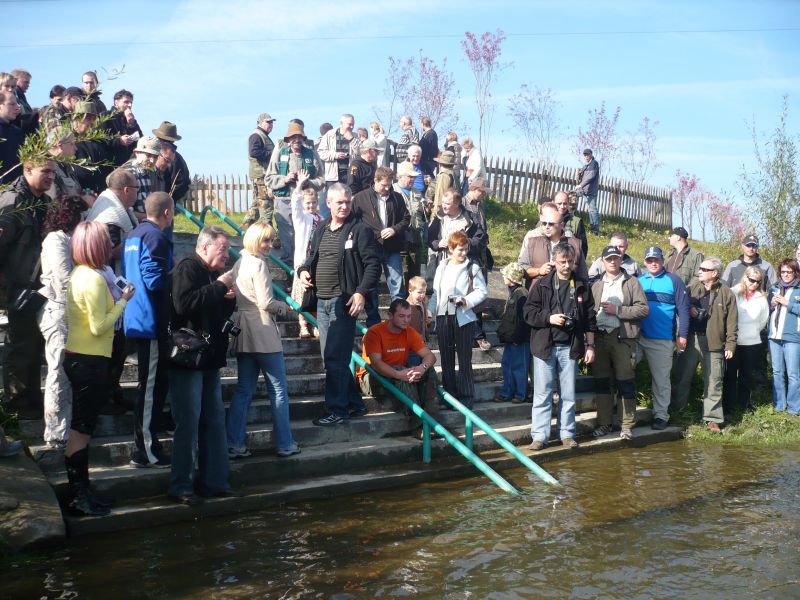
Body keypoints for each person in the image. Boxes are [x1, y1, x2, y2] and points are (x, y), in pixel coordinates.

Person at [64, 220, 135, 516]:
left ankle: (83, 492)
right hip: (88, 360)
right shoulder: (92, 279)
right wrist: (123, 302)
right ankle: (78, 495)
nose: (110, 246)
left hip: (85, 357)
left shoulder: (81, 273)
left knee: (84, 427)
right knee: (81, 428)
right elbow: (98, 326)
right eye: (106, 242)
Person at [298, 183, 381, 426]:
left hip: (343, 303)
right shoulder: (321, 228)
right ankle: (354, 404)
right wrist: (303, 270)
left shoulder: (360, 230)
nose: (344, 206)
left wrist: (361, 292)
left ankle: (337, 410)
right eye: (339, 202)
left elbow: (373, 265)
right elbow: (311, 257)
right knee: (333, 357)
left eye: (347, 202)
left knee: (335, 357)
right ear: (329, 203)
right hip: (321, 301)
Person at [169, 226, 241, 505]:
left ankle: (215, 481)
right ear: (205, 247)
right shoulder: (188, 268)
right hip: (188, 360)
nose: (227, 255)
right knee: (188, 422)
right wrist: (220, 287)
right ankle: (182, 486)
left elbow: (212, 310)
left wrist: (228, 300)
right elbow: (183, 304)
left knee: (214, 421)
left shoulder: (212, 274)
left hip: (209, 358)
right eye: (223, 249)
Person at [227, 222, 300, 459]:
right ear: (255, 240)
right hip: (263, 331)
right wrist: (285, 307)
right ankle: (285, 443)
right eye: (265, 240)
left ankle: (234, 443)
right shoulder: (258, 264)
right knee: (278, 390)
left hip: (244, 330)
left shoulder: (239, 261)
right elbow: (266, 302)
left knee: (244, 390)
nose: (270, 245)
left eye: (271, 240)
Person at [524, 242, 596, 450]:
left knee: (568, 394)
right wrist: (549, 318)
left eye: (570, 262)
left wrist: (590, 346)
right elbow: (528, 312)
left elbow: (590, 319)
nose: (566, 265)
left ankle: (567, 434)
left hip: (570, 347)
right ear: (554, 261)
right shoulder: (542, 284)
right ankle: (540, 436)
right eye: (562, 261)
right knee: (542, 394)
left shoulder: (582, 285)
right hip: (545, 346)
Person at [123, 192, 174, 468]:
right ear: (167, 212)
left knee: (151, 384)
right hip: (150, 320)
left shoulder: (134, 234)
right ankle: (145, 450)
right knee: (150, 386)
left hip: (136, 316)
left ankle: (148, 441)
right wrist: (176, 280)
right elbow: (154, 279)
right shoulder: (155, 237)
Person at [0, 159, 54, 420]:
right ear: (28, 170)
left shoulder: (44, 202)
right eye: (46, 171)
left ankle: (30, 399)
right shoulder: (12, 202)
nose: (51, 177)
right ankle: (17, 404)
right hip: (16, 286)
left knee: (33, 344)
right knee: (20, 345)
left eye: (53, 172)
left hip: (38, 286)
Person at [37, 195, 87, 448]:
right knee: (58, 371)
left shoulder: (70, 239)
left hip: (73, 313)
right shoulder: (55, 240)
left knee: (68, 372)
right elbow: (64, 280)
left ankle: (67, 428)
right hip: (58, 311)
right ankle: (56, 432)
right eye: (81, 215)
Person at [357, 299, 439, 439]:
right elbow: (376, 363)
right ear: (390, 315)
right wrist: (399, 374)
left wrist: (422, 368)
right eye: (401, 316)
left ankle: (432, 423)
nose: (406, 320)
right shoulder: (374, 332)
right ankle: (417, 426)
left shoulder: (410, 332)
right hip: (371, 376)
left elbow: (430, 356)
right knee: (403, 373)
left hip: (396, 374)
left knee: (429, 371)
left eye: (409, 316)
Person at [590, 246, 649, 440]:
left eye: (616, 258)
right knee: (602, 382)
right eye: (609, 259)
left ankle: (626, 426)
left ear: (621, 260)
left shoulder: (632, 282)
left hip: (622, 338)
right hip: (599, 337)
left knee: (625, 382)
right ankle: (604, 423)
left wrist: (618, 310)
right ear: (603, 261)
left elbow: (643, 309)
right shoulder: (596, 284)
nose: (613, 262)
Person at [672, 257, 737, 432]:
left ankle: (713, 419)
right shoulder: (691, 288)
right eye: (700, 268)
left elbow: (732, 322)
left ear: (715, 273)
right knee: (683, 377)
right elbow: (679, 306)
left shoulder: (727, 293)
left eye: (704, 269)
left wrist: (730, 345)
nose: (699, 271)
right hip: (691, 339)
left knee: (714, 381)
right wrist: (690, 309)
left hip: (715, 342)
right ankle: (678, 411)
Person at [428, 230, 488, 408]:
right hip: (443, 317)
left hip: (464, 318)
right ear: (451, 249)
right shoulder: (442, 266)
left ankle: (466, 396)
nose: (463, 253)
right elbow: (436, 293)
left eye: (466, 249)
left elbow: (482, 292)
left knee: (464, 359)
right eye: (460, 249)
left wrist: (466, 300)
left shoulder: (472, 267)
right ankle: (449, 397)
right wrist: (430, 311)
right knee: (446, 360)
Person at [638, 246, 690, 430]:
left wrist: (682, 335)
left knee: (661, 380)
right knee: (623, 370)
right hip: (638, 337)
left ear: (663, 261)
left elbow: (683, 309)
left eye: (657, 260)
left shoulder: (674, 280)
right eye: (650, 260)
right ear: (645, 262)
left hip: (663, 338)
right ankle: (621, 410)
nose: (653, 263)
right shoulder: (638, 281)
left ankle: (661, 415)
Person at [352, 166, 411, 327]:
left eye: (389, 185)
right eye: (384, 185)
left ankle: (398, 321)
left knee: (397, 287)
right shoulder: (361, 197)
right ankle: (373, 323)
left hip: (392, 248)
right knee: (371, 286)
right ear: (375, 181)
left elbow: (406, 218)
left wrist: (394, 229)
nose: (387, 188)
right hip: (371, 248)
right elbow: (353, 221)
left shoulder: (397, 197)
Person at [264, 122, 324, 267]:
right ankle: (289, 274)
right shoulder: (280, 153)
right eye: (293, 137)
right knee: (288, 239)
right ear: (288, 139)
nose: (296, 140)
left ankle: (307, 269)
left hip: (306, 203)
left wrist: (307, 182)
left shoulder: (311, 154)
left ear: (303, 138)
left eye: (299, 137)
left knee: (305, 238)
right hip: (284, 201)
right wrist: (285, 179)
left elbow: (322, 179)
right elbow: (269, 179)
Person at [723, 267, 769, 415]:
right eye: (752, 280)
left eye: (758, 281)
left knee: (747, 375)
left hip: (752, 342)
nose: (754, 284)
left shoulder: (761, 298)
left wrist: (753, 330)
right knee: (730, 375)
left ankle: (744, 405)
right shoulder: (733, 292)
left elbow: (763, 320)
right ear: (745, 277)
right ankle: (728, 407)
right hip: (733, 341)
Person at [517, 202, 587, 287]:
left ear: (561, 225)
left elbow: (583, 275)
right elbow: (520, 269)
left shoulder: (575, 244)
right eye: (544, 223)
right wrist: (539, 271)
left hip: (566, 291)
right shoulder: (533, 243)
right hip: (538, 291)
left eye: (551, 224)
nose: (547, 227)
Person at [767, 258, 800, 416]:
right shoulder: (774, 287)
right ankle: (780, 405)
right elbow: (765, 311)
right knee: (777, 372)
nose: (785, 274)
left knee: (793, 374)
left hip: (793, 337)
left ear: (795, 272)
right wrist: (772, 304)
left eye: (789, 272)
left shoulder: (799, 288)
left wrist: (788, 303)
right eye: (783, 272)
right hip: (774, 336)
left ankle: (794, 408)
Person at [494, 262, 531, 404]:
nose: (503, 277)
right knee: (507, 366)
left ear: (512, 277)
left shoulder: (522, 294)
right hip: (510, 339)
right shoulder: (513, 293)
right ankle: (506, 393)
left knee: (519, 368)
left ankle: (521, 394)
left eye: (505, 275)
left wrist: (519, 338)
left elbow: (524, 319)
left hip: (519, 340)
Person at [290, 181, 322, 339]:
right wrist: (299, 187)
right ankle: (303, 325)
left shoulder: (321, 218)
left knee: (315, 295)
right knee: (302, 295)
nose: (311, 205)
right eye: (308, 203)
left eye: (314, 202)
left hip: (317, 262)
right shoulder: (301, 218)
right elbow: (295, 205)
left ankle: (315, 324)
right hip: (303, 262)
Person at [394, 161, 428, 284]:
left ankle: (414, 295)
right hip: (400, 238)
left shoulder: (417, 193)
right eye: (410, 176)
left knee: (415, 273)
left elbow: (422, 215)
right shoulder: (393, 191)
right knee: (403, 273)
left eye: (414, 177)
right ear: (400, 176)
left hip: (415, 237)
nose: (413, 179)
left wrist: (427, 209)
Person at [244, 112, 277, 229]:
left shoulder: (263, 136)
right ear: (260, 123)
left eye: (272, 122)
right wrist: (272, 154)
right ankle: (266, 231)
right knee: (265, 204)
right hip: (261, 175)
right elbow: (254, 152)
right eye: (268, 122)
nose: (271, 125)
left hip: (262, 175)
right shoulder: (256, 135)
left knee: (257, 204)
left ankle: (245, 229)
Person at [122, 136, 162, 222]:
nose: (152, 160)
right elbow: (124, 210)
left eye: (155, 156)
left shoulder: (150, 172)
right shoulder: (129, 174)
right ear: (137, 153)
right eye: (148, 155)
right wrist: (152, 219)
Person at [152, 121, 190, 206]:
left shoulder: (175, 159)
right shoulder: (179, 158)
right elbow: (185, 183)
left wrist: (169, 198)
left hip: (163, 202)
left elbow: (182, 183)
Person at [317, 113, 358, 186]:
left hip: (350, 174)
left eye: (353, 124)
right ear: (341, 124)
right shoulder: (329, 135)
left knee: (349, 193)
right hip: (333, 176)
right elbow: (321, 153)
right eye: (349, 124)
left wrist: (352, 140)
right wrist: (335, 155)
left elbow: (362, 152)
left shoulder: (355, 136)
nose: (352, 127)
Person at [105, 89, 143, 166]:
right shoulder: (105, 116)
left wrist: (132, 124)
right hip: (108, 164)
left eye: (131, 103)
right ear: (116, 102)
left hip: (126, 166)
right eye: (126, 102)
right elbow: (100, 139)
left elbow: (141, 141)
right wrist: (119, 141)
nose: (130, 105)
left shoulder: (131, 120)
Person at [573, 148, 600, 235]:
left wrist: (581, 185)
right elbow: (583, 177)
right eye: (584, 155)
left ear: (591, 155)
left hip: (590, 191)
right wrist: (580, 174)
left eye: (587, 154)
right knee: (571, 199)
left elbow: (590, 177)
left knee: (592, 210)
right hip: (583, 190)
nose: (586, 156)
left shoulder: (594, 164)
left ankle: (595, 230)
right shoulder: (585, 166)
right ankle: (571, 223)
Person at [0, 90, 24, 184]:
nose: (17, 107)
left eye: (17, 104)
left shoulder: (17, 132)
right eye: (12, 104)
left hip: (16, 188)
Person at [426, 151, 457, 217]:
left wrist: (435, 214)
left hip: (442, 212)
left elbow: (439, 199)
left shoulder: (443, 175)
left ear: (440, 163)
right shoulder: (453, 174)